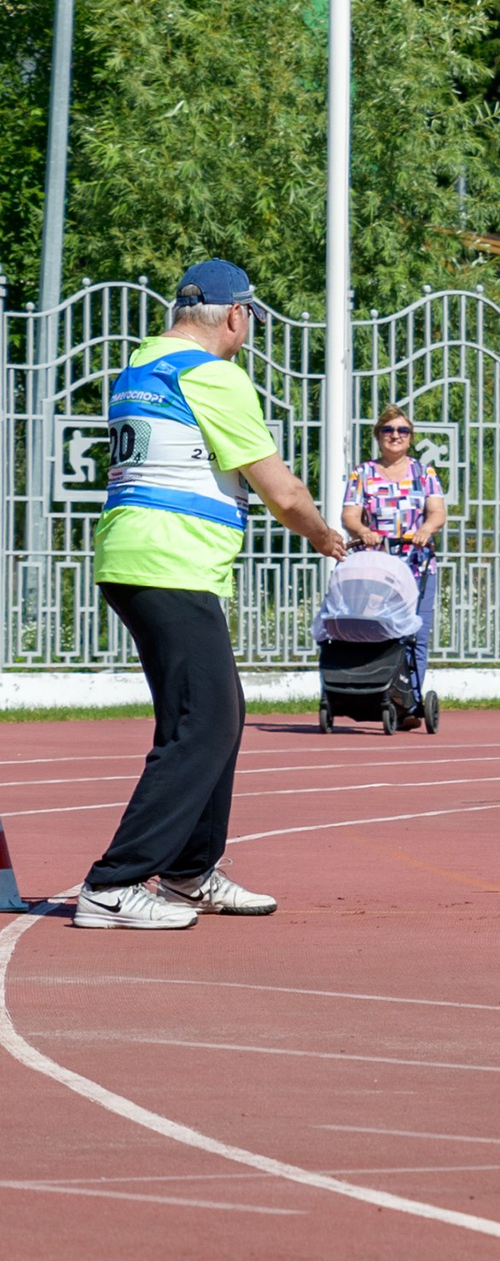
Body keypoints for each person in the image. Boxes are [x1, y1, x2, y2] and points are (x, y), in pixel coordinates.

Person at [75, 259, 348, 930]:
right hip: (171, 563)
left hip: (133, 557)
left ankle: (191, 871)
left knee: (205, 718)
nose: (249, 328)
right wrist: (323, 535)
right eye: (251, 316)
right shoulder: (214, 377)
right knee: (209, 724)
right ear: (234, 316)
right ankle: (114, 883)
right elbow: (281, 490)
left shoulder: (141, 366)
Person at [341, 404, 446, 712]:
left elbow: (437, 512)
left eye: (402, 430)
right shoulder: (363, 473)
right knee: (376, 631)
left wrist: (426, 529)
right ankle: (373, 694)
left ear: (410, 437)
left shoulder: (423, 472)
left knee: (415, 634)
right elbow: (349, 515)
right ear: (378, 435)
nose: (395, 436)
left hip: (417, 565)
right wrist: (364, 530)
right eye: (388, 430)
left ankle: (409, 701)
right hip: (377, 566)